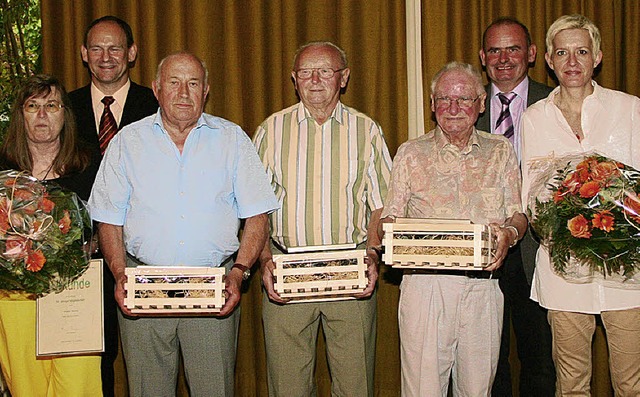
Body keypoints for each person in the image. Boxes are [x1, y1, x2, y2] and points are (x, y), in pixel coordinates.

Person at [88, 52, 278, 396]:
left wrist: (238, 273)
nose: (183, 93)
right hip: (142, 289)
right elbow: (108, 218)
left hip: (213, 291)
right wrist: (119, 274)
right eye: (174, 83)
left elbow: (258, 216)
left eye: (193, 83)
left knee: (213, 390)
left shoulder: (232, 139)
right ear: (157, 89)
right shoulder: (127, 142)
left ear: (205, 91)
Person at [253, 41, 392, 396]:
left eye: (325, 71)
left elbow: (381, 206)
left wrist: (373, 256)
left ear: (343, 78)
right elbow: (256, 207)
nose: (315, 79)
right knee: (288, 386)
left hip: (351, 273)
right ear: (294, 79)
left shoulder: (367, 130)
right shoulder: (271, 130)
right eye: (305, 72)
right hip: (287, 271)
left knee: (355, 385)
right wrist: (266, 259)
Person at [380, 62, 527, 396]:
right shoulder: (411, 153)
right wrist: (394, 238)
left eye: (464, 99)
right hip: (425, 288)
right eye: (444, 99)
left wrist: (509, 235)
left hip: (484, 289)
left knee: (478, 390)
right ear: (432, 105)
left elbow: (518, 214)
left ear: (481, 104)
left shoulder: (500, 151)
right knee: (422, 389)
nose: (454, 108)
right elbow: (389, 219)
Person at [520, 14, 640, 396]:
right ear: (550, 62)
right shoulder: (533, 118)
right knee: (571, 384)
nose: (572, 62)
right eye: (562, 53)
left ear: (598, 57)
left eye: (582, 51)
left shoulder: (630, 109)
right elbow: (531, 192)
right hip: (563, 270)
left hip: (627, 270)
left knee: (630, 383)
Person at [68, 16, 158, 396]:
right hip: (78, 262)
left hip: (145, 254)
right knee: (91, 357)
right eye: (98, 49)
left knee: (154, 360)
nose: (106, 57)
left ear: (132, 53)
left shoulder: (158, 105)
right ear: (84, 54)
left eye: (116, 48)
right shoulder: (63, 109)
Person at [0, 74, 102, 396]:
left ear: (65, 114)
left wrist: (91, 243)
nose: (42, 115)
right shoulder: (2, 166)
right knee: (25, 386)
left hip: (74, 291)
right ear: (21, 114)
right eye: (33, 106)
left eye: (51, 105)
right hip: (15, 296)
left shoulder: (89, 164)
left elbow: (109, 223)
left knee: (78, 386)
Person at [477, 17, 555, 397]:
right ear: (482, 57)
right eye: (494, 49)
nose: (503, 58)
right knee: (488, 361)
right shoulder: (464, 106)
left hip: (538, 251)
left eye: (513, 48)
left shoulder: (556, 103)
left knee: (540, 358)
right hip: (482, 251)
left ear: (532, 54)